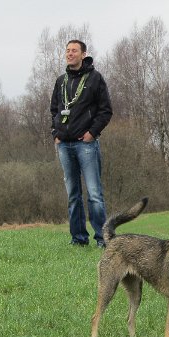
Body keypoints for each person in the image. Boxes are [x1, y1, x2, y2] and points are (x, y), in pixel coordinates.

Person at [50, 39, 113, 248]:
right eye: (67, 50)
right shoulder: (61, 81)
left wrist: (92, 133)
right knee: (73, 195)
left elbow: (106, 110)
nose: (70, 54)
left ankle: (103, 239)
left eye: (74, 51)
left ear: (83, 54)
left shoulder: (95, 79)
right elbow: (54, 110)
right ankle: (78, 239)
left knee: (94, 194)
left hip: (85, 145)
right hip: (64, 145)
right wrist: (55, 133)